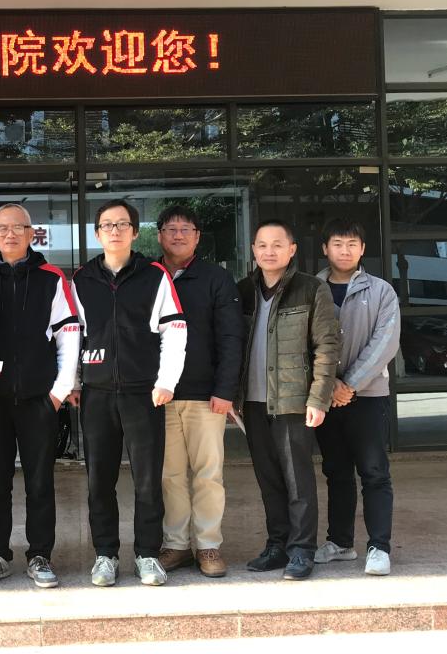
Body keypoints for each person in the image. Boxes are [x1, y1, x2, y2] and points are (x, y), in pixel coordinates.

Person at [69, 199, 187, 588]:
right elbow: (72, 336)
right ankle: (105, 554)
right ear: (97, 233)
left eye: (122, 224)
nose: (115, 230)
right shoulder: (82, 279)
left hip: (144, 393)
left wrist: (166, 381)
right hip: (97, 394)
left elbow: (175, 330)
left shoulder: (154, 275)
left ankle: (147, 554)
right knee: (99, 480)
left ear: (135, 232)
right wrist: (73, 381)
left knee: (147, 480)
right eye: (107, 224)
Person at [0, 204, 80, 589]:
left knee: (40, 482)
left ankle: (40, 555)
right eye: (2, 229)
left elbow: (69, 335)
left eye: (18, 228)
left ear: (31, 234)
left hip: (39, 400)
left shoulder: (52, 278)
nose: (10, 234)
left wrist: (58, 393)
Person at [237, 219, 340, 581]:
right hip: (253, 402)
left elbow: (327, 346)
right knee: (268, 480)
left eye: (277, 244)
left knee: (298, 481)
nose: (269, 251)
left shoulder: (311, 289)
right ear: (253, 250)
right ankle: (277, 545)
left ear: (292, 249)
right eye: (262, 245)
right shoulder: (243, 291)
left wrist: (319, 398)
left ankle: (301, 550)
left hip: (294, 401)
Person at [155, 205, 243, 579]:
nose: (178, 235)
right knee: (169, 475)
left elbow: (231, 337)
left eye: (185, 229)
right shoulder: (149, 275)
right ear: (159, 235)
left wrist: (225, 390)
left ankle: (208, 545)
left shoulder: (215, 278)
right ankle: (176, 545)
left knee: (208, 474)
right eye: (171, 229)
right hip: (160, 396)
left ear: (197, 237)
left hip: (207, 396)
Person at [313, 218, 399, 576]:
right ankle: (340, 543)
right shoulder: (311, 289)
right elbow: (304, 343)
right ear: (325, 248)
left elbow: (385, 343)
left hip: (368, 396)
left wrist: (348, 384)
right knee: (336, 472)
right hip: (325, 396)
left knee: (374, 472)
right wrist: (330, 384)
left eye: (352, 244)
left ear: (362, 249)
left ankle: (379, 547)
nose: (344, 250)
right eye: (337, 243)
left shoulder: (381, 291)